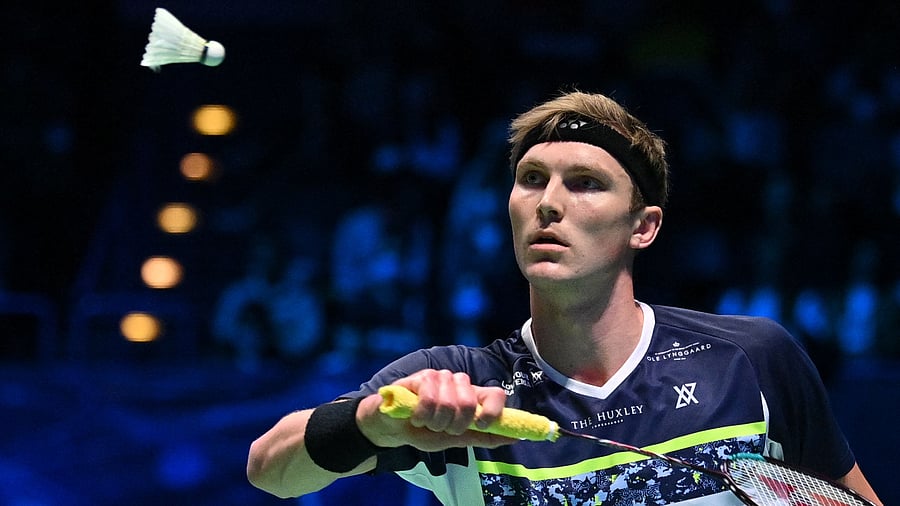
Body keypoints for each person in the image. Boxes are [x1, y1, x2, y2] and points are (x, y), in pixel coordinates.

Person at [246, 90, 882, 505]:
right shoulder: (460, 390)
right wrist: (372, 424)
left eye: (584, 183)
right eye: (531, 179)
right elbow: (269, 468)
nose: (548, 202)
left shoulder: (749, 361)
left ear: (643, 226)